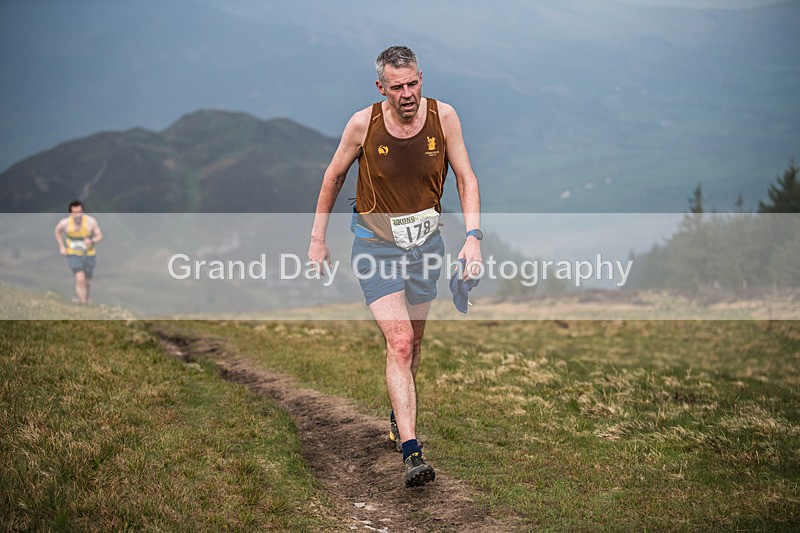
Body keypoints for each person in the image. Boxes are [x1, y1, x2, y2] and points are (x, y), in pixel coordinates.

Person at [308, 45, 482, 487]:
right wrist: (317, 240)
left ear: (421, 78)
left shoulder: (444, 117)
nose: (407, 94)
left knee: (415, 342)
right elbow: (333, 176)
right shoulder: (363, 124)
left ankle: (397, 413)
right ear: (381, 87)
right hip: (376, 247)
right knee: (400, 342)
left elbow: (466, 177)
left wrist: (473, 238)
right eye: (397, 86)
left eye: (413, 83)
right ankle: (411, 450)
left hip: (426, 246)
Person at [54, 200, 103, 304]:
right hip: (73, 253)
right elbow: (57, 231)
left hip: (88, 253)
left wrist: (91, 241)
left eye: (80, 212)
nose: (78, 215)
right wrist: (62, 247)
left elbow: (99, 236)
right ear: (71, 213)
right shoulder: (65, 223)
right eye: (75, 213)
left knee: (87, 281)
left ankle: (86, 299)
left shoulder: (90, 222)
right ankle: (83, 303)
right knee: (80, 278)